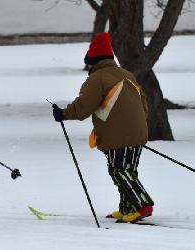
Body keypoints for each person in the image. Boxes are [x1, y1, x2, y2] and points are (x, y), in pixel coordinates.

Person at [52, 32, 154, 223]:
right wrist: (135, 126)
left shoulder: (97, 78)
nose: (88, 67)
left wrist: (63, 114)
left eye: (89, 63)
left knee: (119, 171)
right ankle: (127, 208)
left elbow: (83, 107)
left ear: (93, 61)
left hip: (118, 136)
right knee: (128, 170)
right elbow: (144, 104)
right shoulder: (126, 74)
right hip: (137, 132)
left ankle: (142, 205)